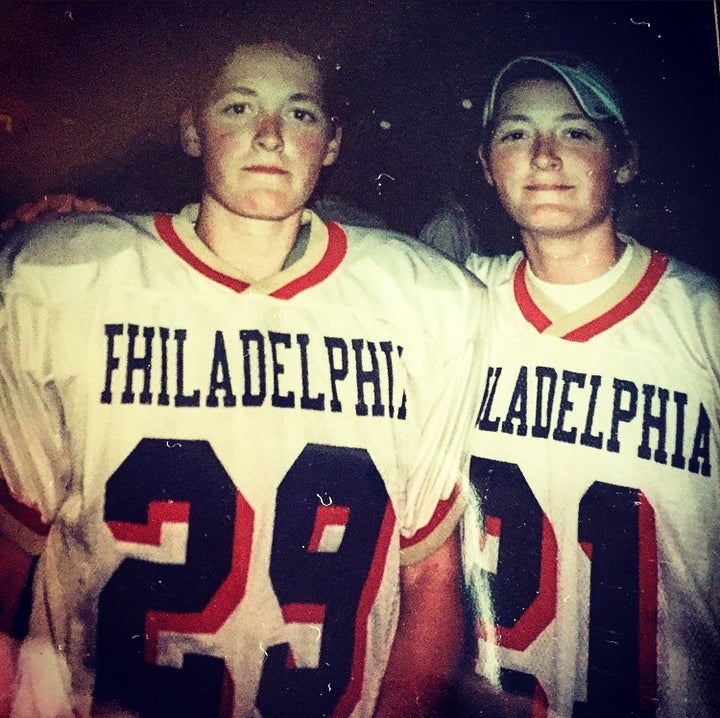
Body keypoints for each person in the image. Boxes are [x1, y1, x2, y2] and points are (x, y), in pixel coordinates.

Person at [0, 39, 491, 717]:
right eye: (239, 106)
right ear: (190, 128)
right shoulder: (62, 280)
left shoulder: (425, 302)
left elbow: (430, 579)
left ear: (333, 142)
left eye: (299, 113)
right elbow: (11, 545)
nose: (270, 135)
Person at [459, 54, 720, 717]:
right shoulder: (450, 304)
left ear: (624, 158)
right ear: (487, 164)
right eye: (516, 132)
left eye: (575, 131)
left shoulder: (704, 323)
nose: (544, 156)